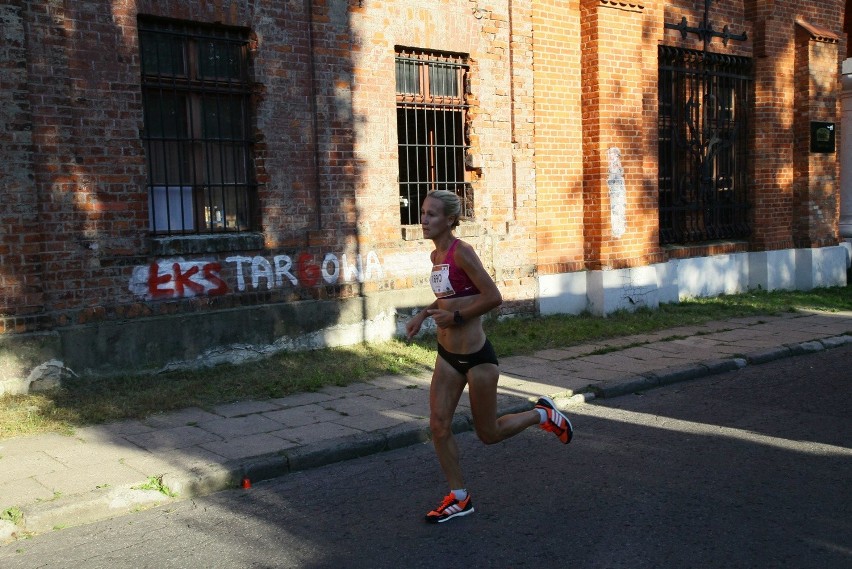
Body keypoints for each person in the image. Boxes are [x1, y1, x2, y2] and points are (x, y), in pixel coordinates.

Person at [405, 189, 573, 524]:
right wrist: (423, 315)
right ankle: (459, 497)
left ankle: (541, 415)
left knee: (488, 434)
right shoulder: (435, 256)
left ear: (450, 219)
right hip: (447, 356)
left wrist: (455, 319)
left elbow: (493, 296)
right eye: (423, 213)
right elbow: (447, 299)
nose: (424, 220)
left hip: (477, 358)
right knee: (438, 426)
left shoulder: (462, 252)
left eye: (432, 214)